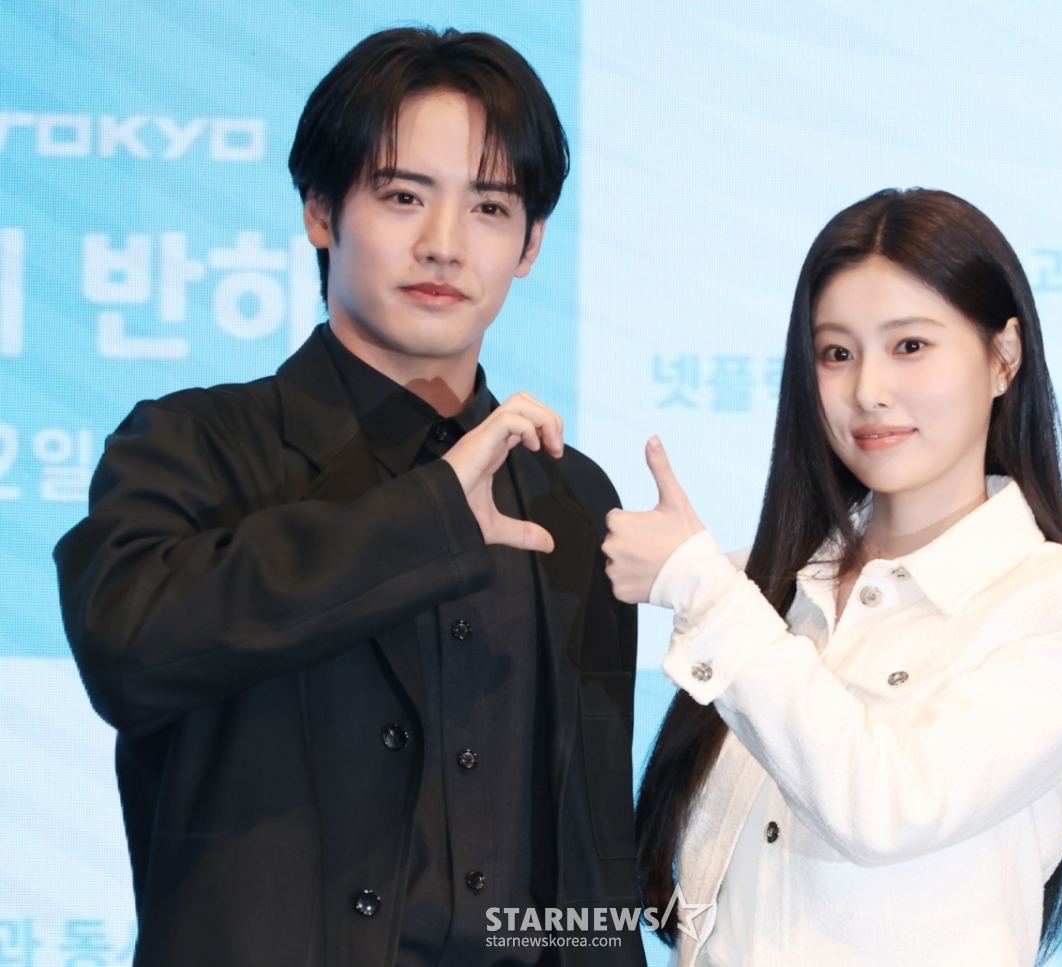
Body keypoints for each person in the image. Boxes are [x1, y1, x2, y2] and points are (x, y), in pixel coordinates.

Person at [55, 28, 645, 967]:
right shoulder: (193, 446)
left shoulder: (570, 494)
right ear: (321, 212)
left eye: (490, 207)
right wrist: (433, 517)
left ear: (531, 244)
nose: (444, 245)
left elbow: (588, 848)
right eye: (403, 195)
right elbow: (129, 653)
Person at [602, 188, 1062, 967]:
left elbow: (886, 806)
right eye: (836, 353)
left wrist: (703, 589)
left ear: (1004, 357)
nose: (867, 390)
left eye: (910, 346)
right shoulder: (757, 594)